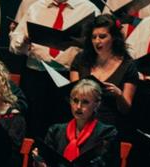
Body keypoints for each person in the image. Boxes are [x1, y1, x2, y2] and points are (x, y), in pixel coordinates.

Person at [9, 0, 98, 137]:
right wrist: (23, 40)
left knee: (63, 127)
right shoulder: (36, 7)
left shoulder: (88, 9)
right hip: (36, 75)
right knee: (33, 125)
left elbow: (100, 46)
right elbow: (14, 46)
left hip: (68, 76)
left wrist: (83, 43)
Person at [69, 14, 138, 138]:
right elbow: (72, 95)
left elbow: (126, 109)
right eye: (93, 37)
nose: (97, 41)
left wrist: (119, 95)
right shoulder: (81, 60)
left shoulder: (127, 65)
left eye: (102, 36)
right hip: (80, 123)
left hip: (108, 128)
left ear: (114, 38)